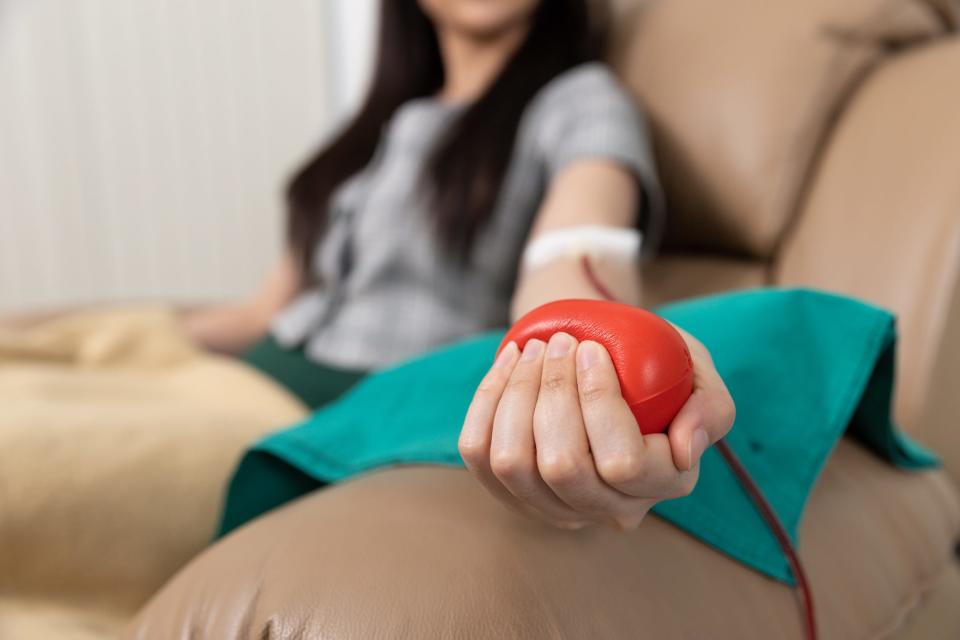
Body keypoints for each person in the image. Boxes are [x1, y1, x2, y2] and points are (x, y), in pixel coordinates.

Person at [7, 0, 735, 533]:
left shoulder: (577, 101)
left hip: (313, 417)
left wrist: (594, 342)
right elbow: (260, 316)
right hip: (240, 369)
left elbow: (577, 258)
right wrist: (85, 337)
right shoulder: (371, 130)